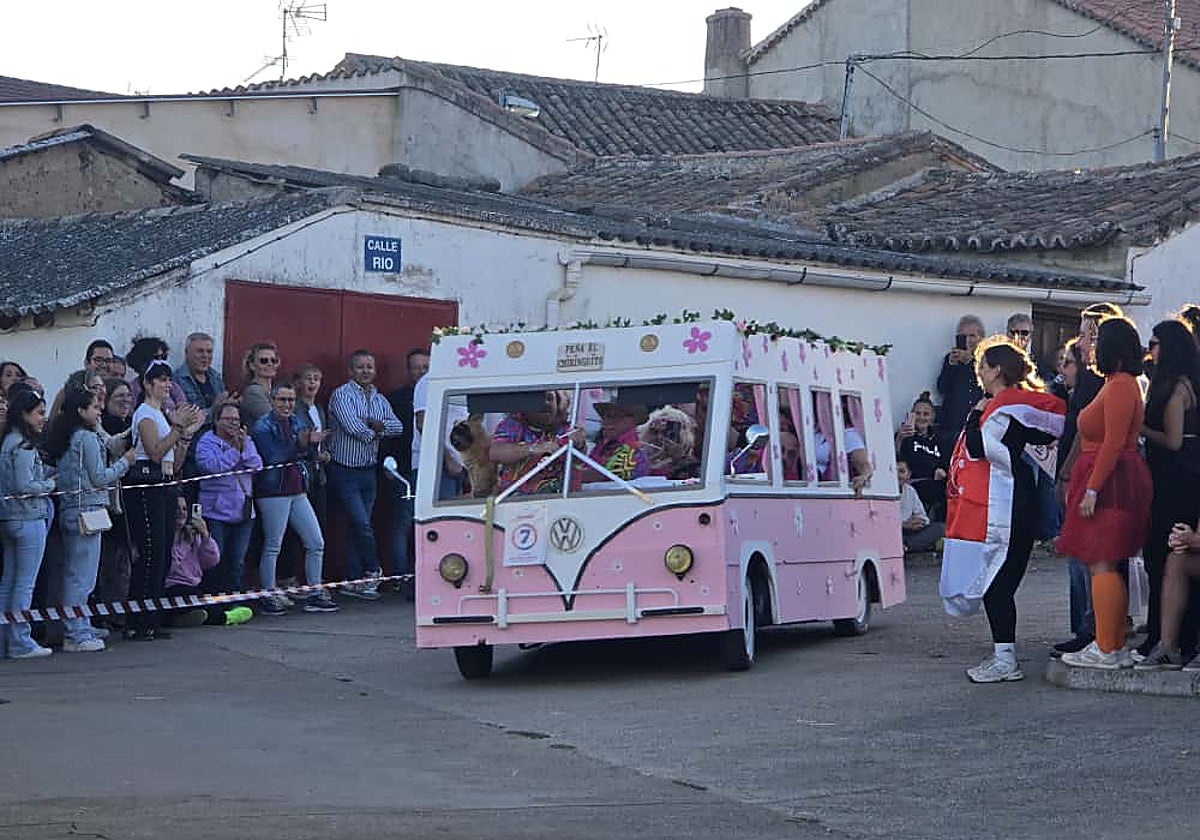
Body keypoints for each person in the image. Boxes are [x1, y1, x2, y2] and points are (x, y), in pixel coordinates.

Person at [941, 338, 1065, 683]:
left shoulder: (1002, 405)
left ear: (996, 370)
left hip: (1007, 504)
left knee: (996, 583)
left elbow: (981, 447)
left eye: (982, 366)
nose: (978, 372)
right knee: (1001, 582)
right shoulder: (1029, 403)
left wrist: (976, 414)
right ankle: (1003, 655)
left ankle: (1005, 660)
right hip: (1020, 497)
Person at [1058, 317, 1153, 669]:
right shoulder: (1117, 383)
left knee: (1101, 561)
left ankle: (1108, 646)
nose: (1092, 345)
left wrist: (1093, 490)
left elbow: (1114, 441)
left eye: (1098, 339)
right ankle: (1108, 642)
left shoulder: (1121, 385)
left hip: (1108, 479)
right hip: (1104, 474)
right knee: (1103, 562)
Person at [1053, 302, 1125, 654]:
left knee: (1088, 553)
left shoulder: (1102, 379)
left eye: (1083, 333)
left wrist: (1067, 473)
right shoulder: (1089, 375)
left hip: (1090, 471)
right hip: (1085, 469)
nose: (1079, 342)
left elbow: (1091, 432)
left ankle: (1091, 627)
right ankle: (1087, 625)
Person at [45, 388, 136, 652]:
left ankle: (79, 622)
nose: (99, 412)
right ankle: (76, 632)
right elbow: (99, 477)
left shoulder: (70, 436)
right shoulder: (84, 438)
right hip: (86, 510)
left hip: (74, 509)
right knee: (81, 576)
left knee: (79, 573)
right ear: (80, 411)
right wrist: (125, 462)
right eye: (95, 408)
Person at [1134, 318, 1200, 661]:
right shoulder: (1168, 381)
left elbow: (1173, 441)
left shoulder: (1178, 388)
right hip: (1169, 477)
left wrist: (1141, 427)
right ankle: (1164, 635)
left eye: (1156, 343)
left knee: (1165, 554)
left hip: (1177, 479)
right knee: (1158, 558)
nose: (1150, 349)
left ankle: (1170, 638)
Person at [125, 360, 203, 641]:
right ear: (147, 384)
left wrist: (183, 436)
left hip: (166, 484)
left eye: (168, 380)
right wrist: (177, 429)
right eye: (160, 380)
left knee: (162, 554)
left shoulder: (164, 416)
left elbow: (174, 460)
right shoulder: (145, 413)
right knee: (150, 553)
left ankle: (152, 617)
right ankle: (139, 619)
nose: (166, 385)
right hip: (147, 486)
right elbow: (154, 452)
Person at [252, 384, 336, 614]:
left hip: (297, 488)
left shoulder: (297, 421)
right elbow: (274, 457)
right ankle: (268, 595)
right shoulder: (263, 426)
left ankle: (315, 591)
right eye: (282, 400)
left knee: (316, 541)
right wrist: (304, 444)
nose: (287, 405)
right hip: (272, 490)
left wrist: (311, 448)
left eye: (290, 400)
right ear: (272, 401)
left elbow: (306, 453)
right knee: (273, 545)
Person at [327, 350, 404, 601]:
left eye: (369, 366)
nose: (365, 371)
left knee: (356, 526)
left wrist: (371, 424)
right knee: (362, 524)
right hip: (344, 469)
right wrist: (376, 426)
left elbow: (398, 427)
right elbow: (354, 429)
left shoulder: (380, 399)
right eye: (360, 367)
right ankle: (373, 570)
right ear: (351, 371)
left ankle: (353, 580)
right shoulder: (341, 395)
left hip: (369, 470)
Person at [0, 389, 56, 659]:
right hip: (27, 517)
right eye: (40, 413)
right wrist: (49, 484)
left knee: (9, 581)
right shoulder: (22, 445)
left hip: (11, 518)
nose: (43, 418)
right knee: (24, 584)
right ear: (24, 414)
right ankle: (20, 641)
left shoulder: (8, 442)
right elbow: (24, 485)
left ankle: (5, 640)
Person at [195, 400, 262, 594]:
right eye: (228, 419)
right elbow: (213, 467)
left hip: (243, 511)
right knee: (215, 558)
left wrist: (240, 451)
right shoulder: (206, 442)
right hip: (215, 512)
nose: (233, 423)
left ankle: (233, 599)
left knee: (237, 560)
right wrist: (236, 453)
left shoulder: (246, 439)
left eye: (236, 420)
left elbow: (257, 464)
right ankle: (211, 599)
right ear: (216, 420)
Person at [163, 496, 254, 628]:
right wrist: (186, 545)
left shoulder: (191, 533)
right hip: (172, 586)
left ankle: (191, 616)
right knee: (192, 596)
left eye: (184, 509)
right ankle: (224, 617)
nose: (181, 513)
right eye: (176, 509)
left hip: (195, 583)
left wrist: (205, 536)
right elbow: (168, 567)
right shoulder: (165, 536)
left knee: (221, 584)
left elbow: (212, 561)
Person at [386, 349, 427, 595]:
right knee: (402, 525)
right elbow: (390, 438)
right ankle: (403, 578)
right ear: (407, 370)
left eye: (425, 367)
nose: (421, 372)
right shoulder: (398, 399)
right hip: (403, 471)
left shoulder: (436, 392)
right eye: (416, 367)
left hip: (430, 469)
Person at [490, 390, 582, 494]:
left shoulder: (568, 429)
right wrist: (533, 448)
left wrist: (580, 444)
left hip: (562, 498)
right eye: (540, 400)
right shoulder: (512, 425)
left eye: (550, 399)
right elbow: (494, 452)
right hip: (515, 499)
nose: (546, 404)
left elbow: (578, 462)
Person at [936, 315, 986, 452]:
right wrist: (952, 365)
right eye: (964, 336)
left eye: (972, 336)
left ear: (981, 338)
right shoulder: (951, 359)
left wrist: (971, 362)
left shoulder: (987, 362)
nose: (968, 341)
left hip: (977, 427)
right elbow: (942, 387)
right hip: (952, 426)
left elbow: (987, 389)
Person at [895, 392, 947, 520]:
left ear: (932, 417)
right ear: (912, 415)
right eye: (918, 413)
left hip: (935, 482)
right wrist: (899, 439)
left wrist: (942, 471)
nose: (921, 417)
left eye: (926, 414)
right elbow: (895, 459)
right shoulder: (905, 435)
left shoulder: (939, 438)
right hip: (914, 482)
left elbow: (945, 462)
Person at [577, 402, 650, 484]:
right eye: (603, 417)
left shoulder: (634, 450)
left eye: (612, 417)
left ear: (631, 419)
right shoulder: (602, 447)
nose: (605, 422)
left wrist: (571, 474)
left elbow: (606, 476)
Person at [49, 339, 116, 417]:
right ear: (87, 363)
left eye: (108, 360)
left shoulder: (118, 392)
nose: (104, 365)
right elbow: (54, 423)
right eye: (98, 360)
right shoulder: (69, 391)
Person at [175, 332, 229, 415]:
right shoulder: (177, 380)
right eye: (200, 351)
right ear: (186, 353)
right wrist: (214, 409)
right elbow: (187, 418)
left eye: (209, 352)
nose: (205, 356)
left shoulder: (216, 377)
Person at [127, 337, 187, 410]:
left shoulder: (172, 385)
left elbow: (184, 408)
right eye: (155, 358)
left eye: (162, 357)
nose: (159, 362)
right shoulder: (132, 389)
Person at [898, 460, 944, 553]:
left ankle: (906, 546)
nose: (897, 475)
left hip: (909, 532)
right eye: (894, 471)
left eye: (902, 471)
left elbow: (923, 518)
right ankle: (906, 545)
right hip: (894, 532)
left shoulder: (910, 490)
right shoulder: (880, 491)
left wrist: (918, 523)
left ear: (908, 474)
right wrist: (903, 524)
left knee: (940, 528)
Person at [239, 341, 279, 426]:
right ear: (252, 365)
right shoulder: (253, 392)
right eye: (264, 361)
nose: (270, 364)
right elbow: (274, 422)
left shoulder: (273, 391)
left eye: (274, 360)